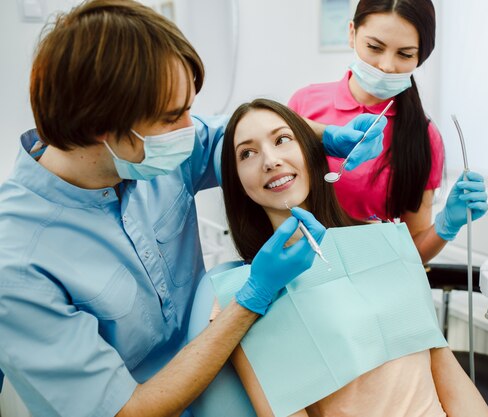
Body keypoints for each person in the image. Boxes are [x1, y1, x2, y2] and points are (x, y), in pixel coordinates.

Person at [0, 1, 387, 416]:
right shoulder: (18, 264)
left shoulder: (149, 150)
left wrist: (327, 137)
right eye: (172, 117)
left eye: (189, 107)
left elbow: (235, 130)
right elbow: (127, 411)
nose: (191, 127)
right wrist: (253, 297)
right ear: (102, 129)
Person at [216, 98, 488, 417]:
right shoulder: (244, 299)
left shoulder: (384, 242)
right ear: (236, 179)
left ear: (309, 150)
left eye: (282, 139)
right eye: (247, 153)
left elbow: (446, 371)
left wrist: (445, 226)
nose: (270, 160)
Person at [289, 0, 488, 264]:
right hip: (296, 270)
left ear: (421, 56)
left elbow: (412, 252)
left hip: (368, 275)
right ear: (352, 33)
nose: (386, 65)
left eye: (404, 54)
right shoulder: (305, 103)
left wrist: (446, 226)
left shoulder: (423, 137)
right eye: (374, 47)